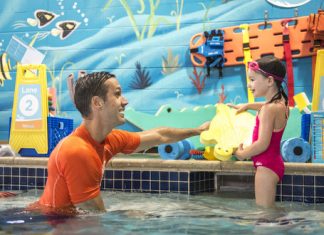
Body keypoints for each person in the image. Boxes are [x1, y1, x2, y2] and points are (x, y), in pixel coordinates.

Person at [29, 71, 209, 214]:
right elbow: (91, 215)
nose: (125, 101)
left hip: (63, 219)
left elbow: (160, 135)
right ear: (98, 103)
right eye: (117, 94)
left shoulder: (109, 140)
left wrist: (197, 131)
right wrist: (122, 217)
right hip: (46, 222)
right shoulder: (77, 151)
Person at [229, 56, 289, 208]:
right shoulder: (282, 104)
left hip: (265, 167)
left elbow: (262, 144)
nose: (249, 85)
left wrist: (242, 154)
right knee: (269, 213)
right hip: (273, 163)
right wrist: (248, 105)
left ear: (269, 81)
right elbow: (267, 106)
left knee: (264, 215)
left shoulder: (269, 110)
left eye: (253, 79)